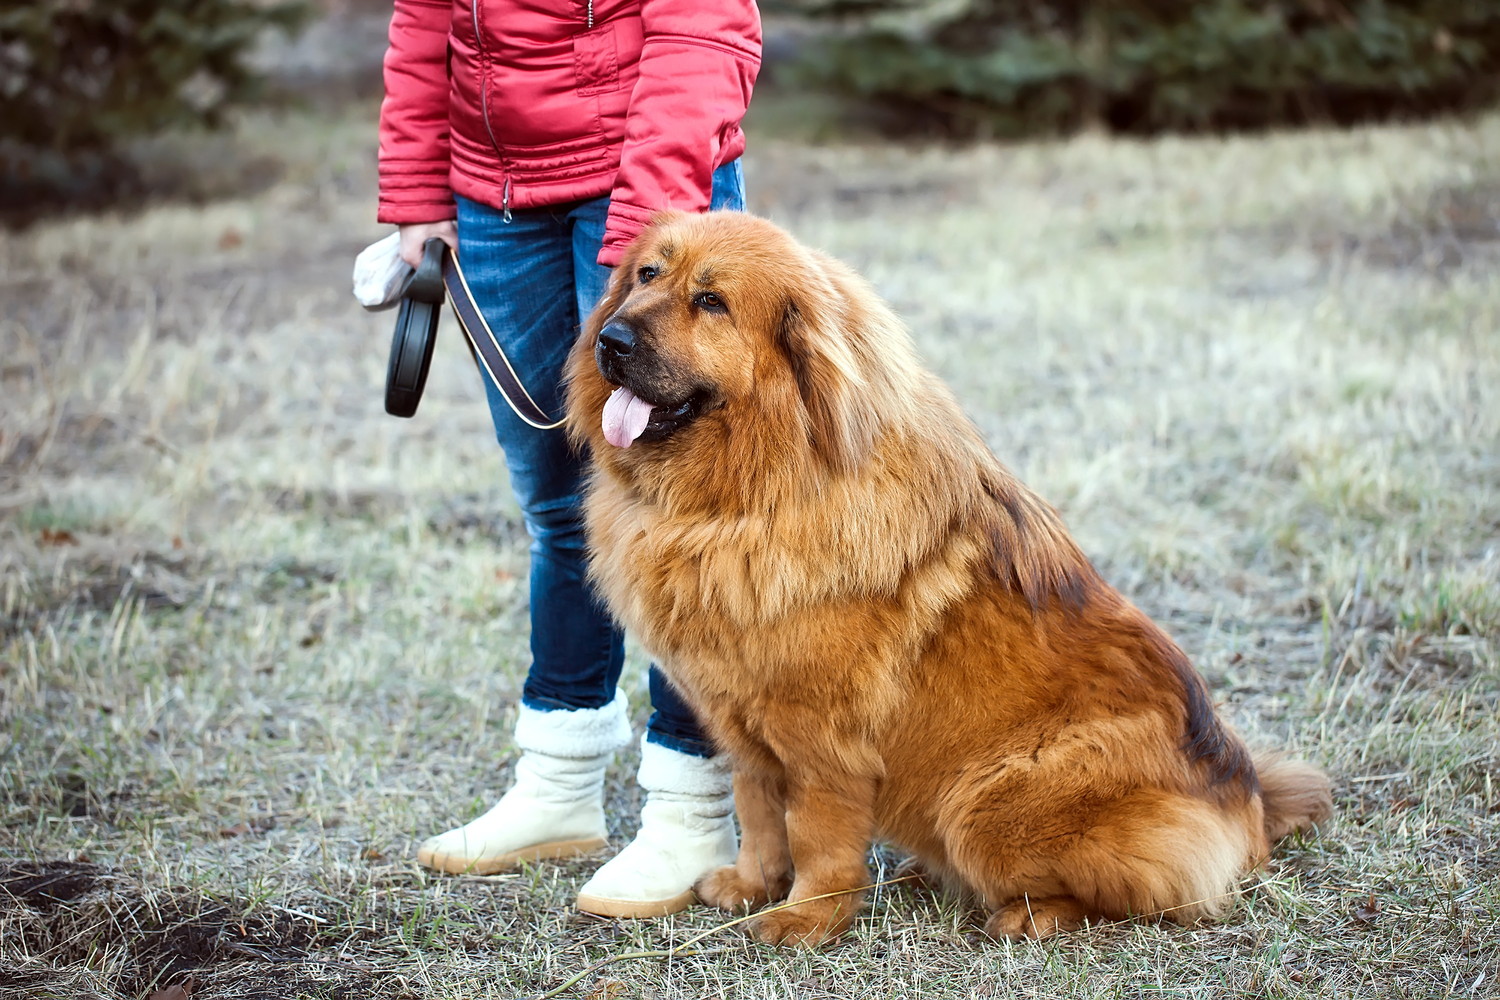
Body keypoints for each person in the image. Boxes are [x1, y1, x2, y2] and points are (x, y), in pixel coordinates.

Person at [375, 0, 762, 917]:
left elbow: (702, 28)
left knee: (685, 513)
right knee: (557, 508)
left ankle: (691, 810)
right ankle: (558, 782)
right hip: (495, 201)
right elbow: (423, 19)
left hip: (639, 190)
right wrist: (419, 196)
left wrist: (650, 237)